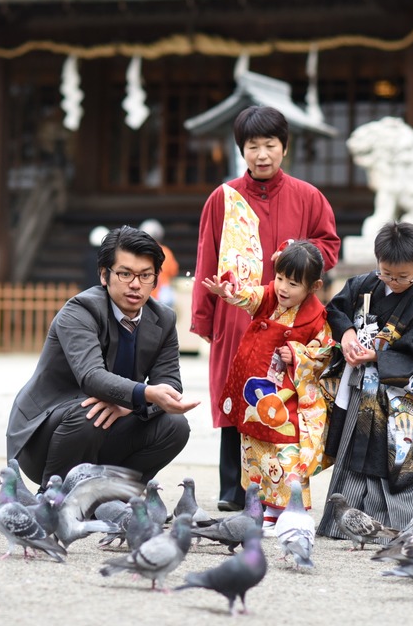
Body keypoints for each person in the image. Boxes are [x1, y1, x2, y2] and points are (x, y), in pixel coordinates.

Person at [191, 106, 340, 512]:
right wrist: (205, 317)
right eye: (252, 146)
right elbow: (207, 257)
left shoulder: (309, 197)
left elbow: (329, 245)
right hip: (236, 313)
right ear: (241, 149)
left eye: (269, 145)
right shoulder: (223, 198)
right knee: (234, 391)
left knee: (281, 395)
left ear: (284, 148)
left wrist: (300, 255)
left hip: (289, 316)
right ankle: (232, 489)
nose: (261, 154)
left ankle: (279, 490)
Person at [7, 225, 200, 489]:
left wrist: (133, 403)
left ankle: (114, 495)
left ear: (156, 280)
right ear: (104, 275)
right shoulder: (80, 310)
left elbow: (170, 385)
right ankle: (54, 496)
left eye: (145, 275)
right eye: (125, 274)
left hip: (108, 426)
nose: (135, 284)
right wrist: (142, 396)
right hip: (45, 436)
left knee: (175, 426)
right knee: (91, 411)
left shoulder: (162, 318)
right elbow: (91, 377)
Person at [201, 240, 334, 526]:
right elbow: (251, 296)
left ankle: (288, 511)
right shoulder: (270, 297)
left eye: (294, 283)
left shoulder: (316, 318)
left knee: (286, 450)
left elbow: (324, 352)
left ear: (314, 286)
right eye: (281, 278)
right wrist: (231, 292)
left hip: (286, 399)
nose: (284, 288)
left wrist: (298, 354)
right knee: (254, 449)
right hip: (256, 390)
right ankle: (263, 507)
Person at [316, 222, 413, 534]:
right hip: (358, 388)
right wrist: (346, 335)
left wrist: (374, 355)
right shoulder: (362, 284)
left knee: (394, 459)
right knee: (351, 450)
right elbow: (335, 310)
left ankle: (401, 529)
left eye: (403, 276)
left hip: (394, 398)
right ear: (377, 261)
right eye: (386, 273)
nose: (393, 281)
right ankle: (344, 526)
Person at [139, 218, 179, 312]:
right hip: (164, 298)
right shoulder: (166, 251)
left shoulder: (141, 253)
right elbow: (174, 271)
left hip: (148, 295)